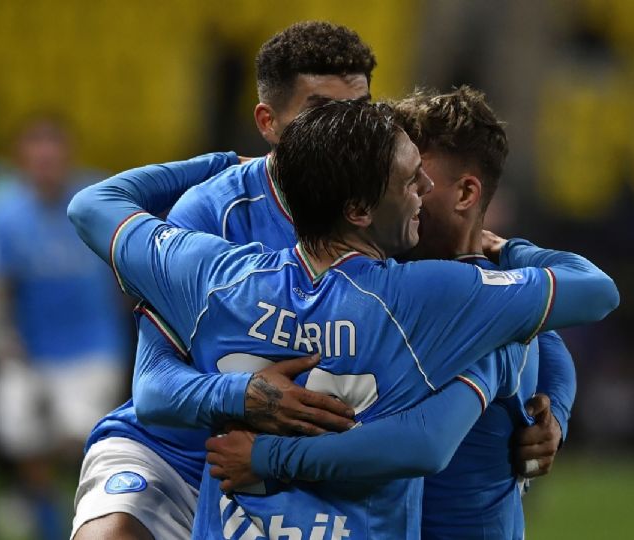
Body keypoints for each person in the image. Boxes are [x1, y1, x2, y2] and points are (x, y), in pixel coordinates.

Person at [68, 98, 619, 538]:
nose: (422, 192)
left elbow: (93, 206)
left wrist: (215, 163)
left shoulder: (214, 274)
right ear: (359, 209)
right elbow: (592, 293)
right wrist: (513, 252)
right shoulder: (434, 297)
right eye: (409, 180)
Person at [204, 86, 575, 540]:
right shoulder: (378, 273)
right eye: (402, 175)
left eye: (418, 175)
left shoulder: (468, 303)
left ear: (465, 194)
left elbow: (424, 442)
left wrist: (555, 412)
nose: (410, 189)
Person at [71, 21, 375, 539]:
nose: (345, 132)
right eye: (321, 113)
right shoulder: (212, 215)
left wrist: (548, 400)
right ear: (268, 121)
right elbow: (155, 389)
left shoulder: (395, 208)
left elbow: (506, 298)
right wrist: (243, 396)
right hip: (176, 458)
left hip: (304, 472)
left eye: (360, 113)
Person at [0, 116, 128, 539]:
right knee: (19, 435)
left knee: (84, 437)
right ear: (21, 160)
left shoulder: (98, 196)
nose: (45, 163)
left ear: (67, 155)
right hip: (31, 347)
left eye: (52, 153)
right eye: (36, 155)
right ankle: (45, 512)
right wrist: (3, 337)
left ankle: (88, 511)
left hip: (92, 344)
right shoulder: (3, 212)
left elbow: (125, 261)